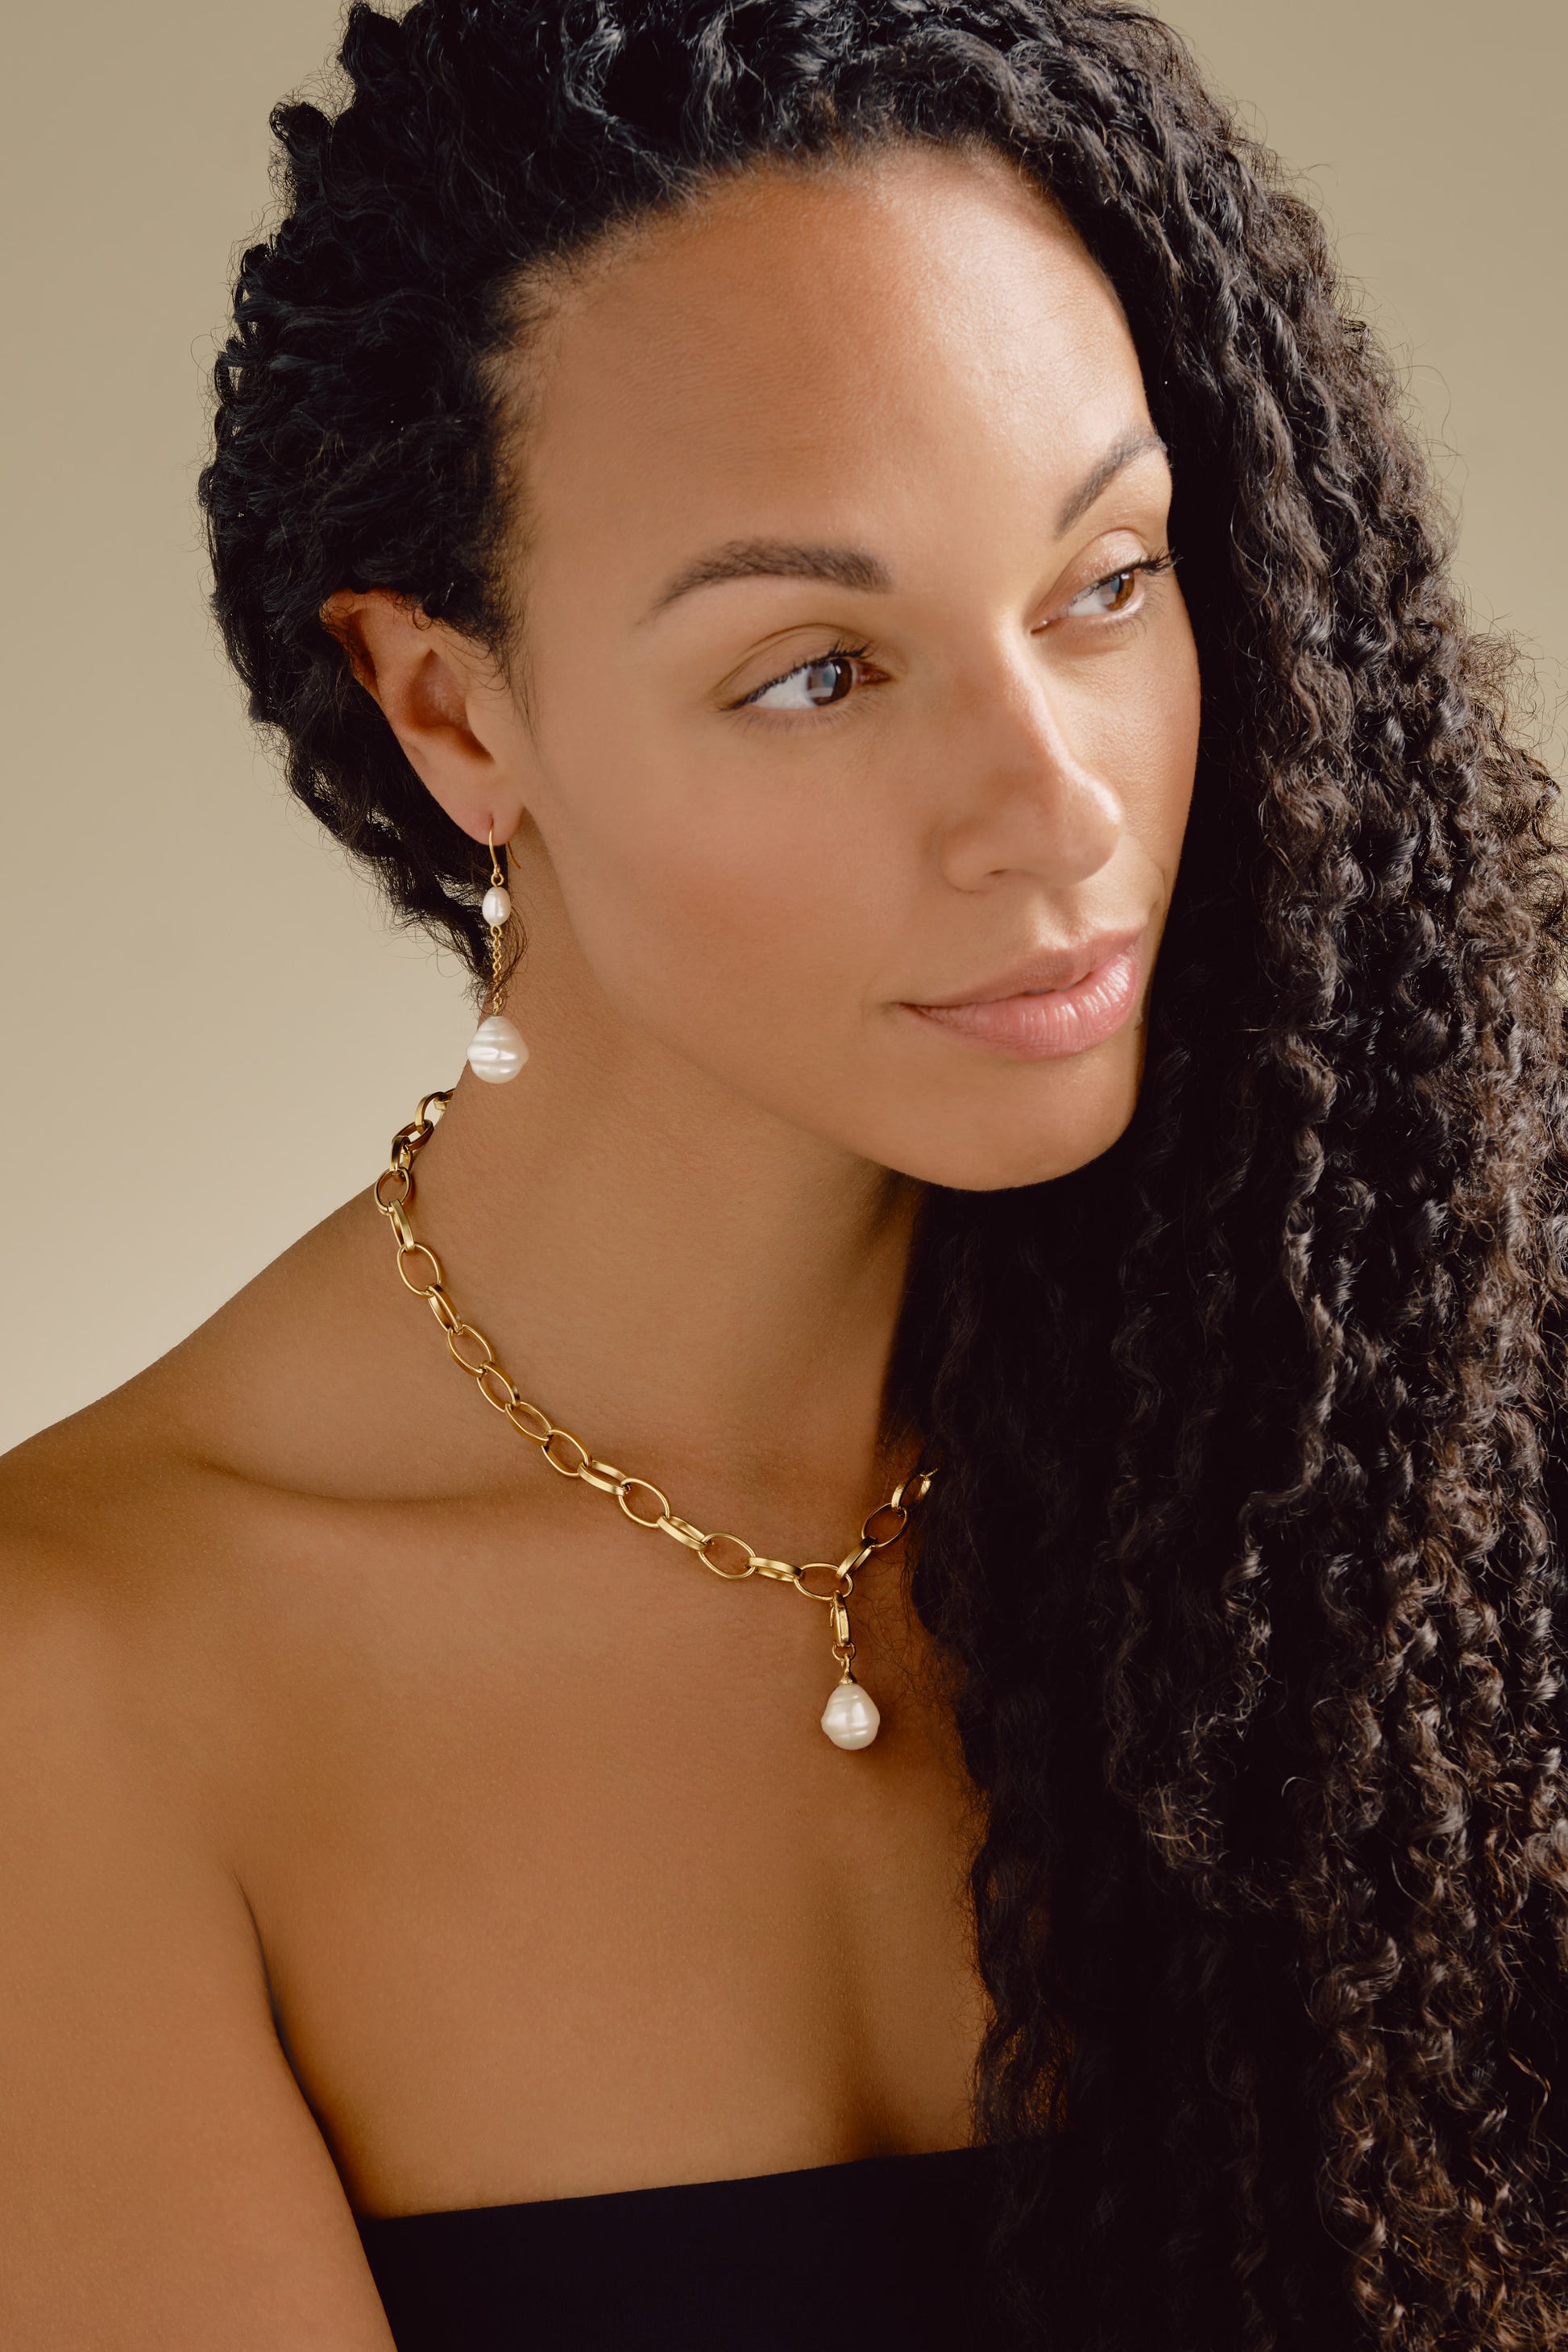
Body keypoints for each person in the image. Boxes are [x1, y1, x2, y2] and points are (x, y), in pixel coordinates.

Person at [4, 0, 1566, 2345]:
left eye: (1104, 583)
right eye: (815, 670)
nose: (1051, 808)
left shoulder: (1382, 1490)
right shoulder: (78, 1708)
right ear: (453, 710)